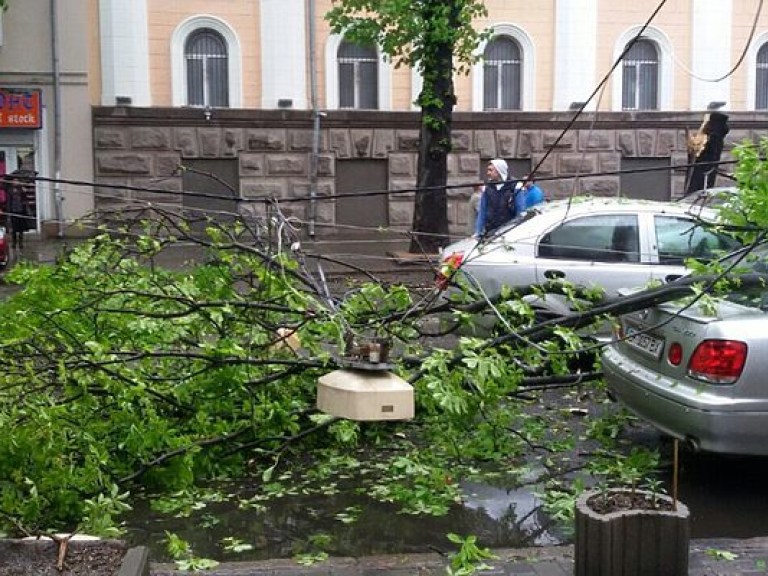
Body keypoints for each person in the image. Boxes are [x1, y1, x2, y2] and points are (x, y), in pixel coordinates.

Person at [473, 158, 515, 238]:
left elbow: (521, 212)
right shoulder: (487, 189)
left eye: (491, 170)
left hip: (509, 233)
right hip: (491, 232)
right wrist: (477, 232)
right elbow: (482, 212)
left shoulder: (515, 187)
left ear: (499, 171)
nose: (488, 173)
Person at [6, 170, 32, 251]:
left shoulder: (22, 189)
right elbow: (9, 201)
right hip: (13, 211)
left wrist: (24, 192)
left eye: (17, 181)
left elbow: (25, 200)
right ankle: (14, 243)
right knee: (14, 229)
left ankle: (21, 243)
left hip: (21, 211)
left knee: (21, 229)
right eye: (14, 181)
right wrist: (8, 211)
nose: (15, 182)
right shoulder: (10, 190)